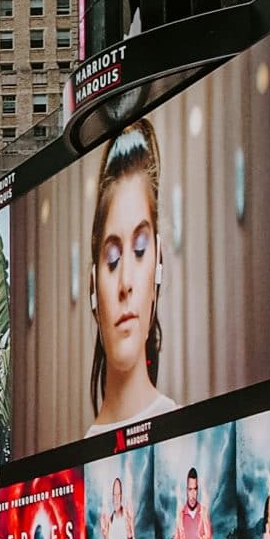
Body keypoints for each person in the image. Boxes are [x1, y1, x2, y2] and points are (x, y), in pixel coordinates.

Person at [86, 119, 175, 437]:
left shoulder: (178, 426)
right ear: (93, 285)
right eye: (112, 259)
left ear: (158, 266)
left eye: (139, 249)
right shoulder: (73, 466)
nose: (125, 283)